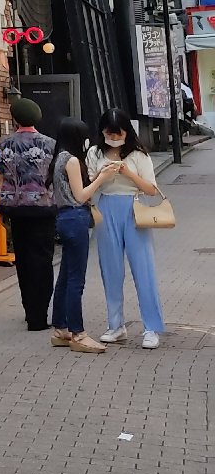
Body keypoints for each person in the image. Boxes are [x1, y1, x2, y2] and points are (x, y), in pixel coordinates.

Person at [88, 108, 166, 349]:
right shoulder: (94, 152)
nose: (113, 137)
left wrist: (127, 171)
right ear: (102, 132)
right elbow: (89, 184)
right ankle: (115, 325)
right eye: (109, 133)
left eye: (118, 133)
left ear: (126, 131)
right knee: (110, 269)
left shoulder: (138, 155)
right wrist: (103, 174)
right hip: (106, 207)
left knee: (144, 268)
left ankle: (152, 328)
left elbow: (151, 189)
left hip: (135, 207)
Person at [48, 118, 119, 353]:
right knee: (75, 280)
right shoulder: (72, 161)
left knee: (66, 276)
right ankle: (78, 333)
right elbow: (80, 196)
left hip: (64, 219)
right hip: (76, 218)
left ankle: (61, 329)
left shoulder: (59, 158)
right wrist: (101, 178)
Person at [0, 97, 57, 331]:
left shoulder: (5, 144)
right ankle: (40, 313)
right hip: (43, 209)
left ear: (15, 118)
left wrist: (1, 207)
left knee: (24, 260)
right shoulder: (50, 144)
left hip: (16, 209)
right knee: (43, 260)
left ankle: (29, 310)